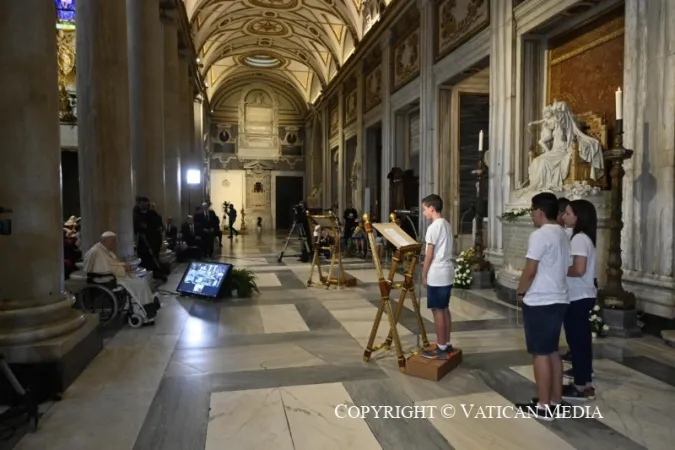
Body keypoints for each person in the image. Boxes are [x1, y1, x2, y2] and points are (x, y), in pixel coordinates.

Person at [515, 192, 571, 421]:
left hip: (540, 299)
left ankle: (544, 406)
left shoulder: (540, 235)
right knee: (552, 352)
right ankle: (555, 401)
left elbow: (530, 269)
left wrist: (520, 292)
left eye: (532, 210)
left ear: (539, 211)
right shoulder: (562, 233)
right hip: (559, 298)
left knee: (540, 354)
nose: (531, 215)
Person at [561, 199, 598, 401]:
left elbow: (579, 269)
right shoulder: (581, 237)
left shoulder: (579, 239)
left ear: (578, 216)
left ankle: (582, 385)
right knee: (580, 342)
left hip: (578, 296)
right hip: (580, 295)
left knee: (578, 342)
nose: (564, 216)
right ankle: (584, 383)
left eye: (567, 213)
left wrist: (557, 270)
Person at [82, 231, 159, 310]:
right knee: (139, 284)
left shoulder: (105, 250)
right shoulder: (96, 251)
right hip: (105, 278)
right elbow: (103, 269)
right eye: (113, 241)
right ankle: (143, 309)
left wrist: (124, 265)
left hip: (113, 276)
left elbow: (112, 263)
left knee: (141, 281)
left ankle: (148, 305)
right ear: (105, 241)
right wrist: (123, 268)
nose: (115, 244)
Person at [420, 194, 455, 360]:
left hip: (437, 272)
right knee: (445, 308)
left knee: (438, 311)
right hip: (447, 271)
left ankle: (440, 347)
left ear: (432, 208)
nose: (424, 213)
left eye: (425, 209)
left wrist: (424, 273)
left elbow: (429, 254)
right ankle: (446, 343)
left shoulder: (433, 227)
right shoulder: (446, 224)